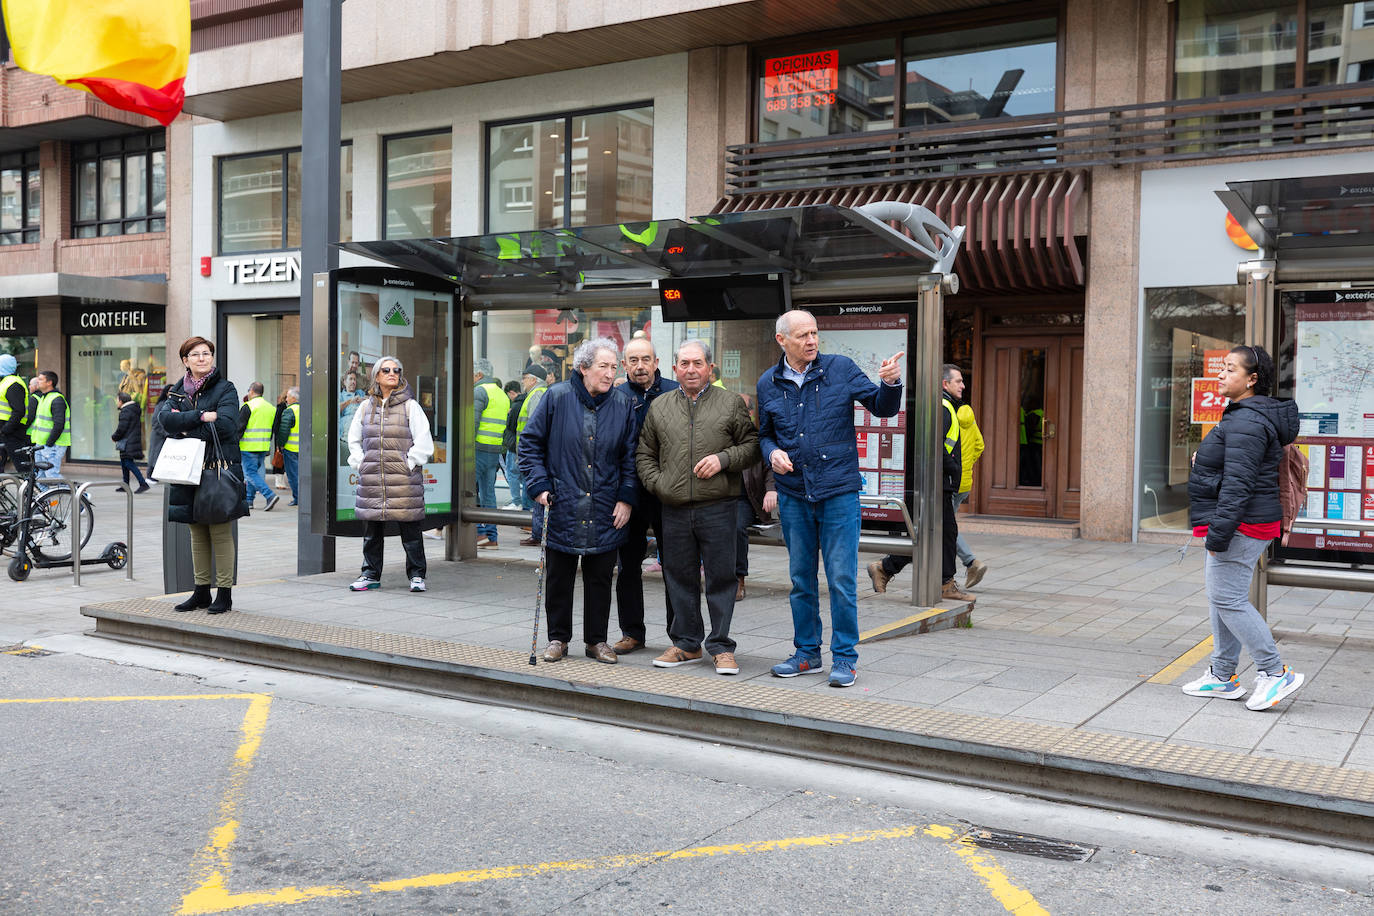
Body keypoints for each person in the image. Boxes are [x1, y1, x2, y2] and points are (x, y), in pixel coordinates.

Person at [757, 309, 903, 688]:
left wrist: (891, 384)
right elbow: (765, 434)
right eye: (803, 335)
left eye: (815, 333)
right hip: (793, 495)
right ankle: (807, 654)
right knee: (800, 580)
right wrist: (771, 453)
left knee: (840, 579)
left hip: (838, 492)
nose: (811, 341)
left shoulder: (840, 368)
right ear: (782, 340)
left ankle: (844, 659)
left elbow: (883, 408)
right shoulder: (768, 383)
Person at [1183, 345, 1305, 711]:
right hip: (1243, 519)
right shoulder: (1245, 415)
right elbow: (1240, 469)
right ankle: (1222, 676)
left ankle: (1274, 672)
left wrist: (1218, 534)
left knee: (1228, 599)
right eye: (1222, 368)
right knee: (1221, 597)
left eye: (1230, 369)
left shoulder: (1247, 420)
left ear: (1252, 379)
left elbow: (1240, 484)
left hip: (1242, 523)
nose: (1221, 374)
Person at [637, 339, 759, 675]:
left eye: (697, 363)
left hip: (718, 507)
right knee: (678, 578)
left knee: (721, 578)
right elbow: (644, 454)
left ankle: (720, 646)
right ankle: (687, 644)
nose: (691, 370)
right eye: (684, 364)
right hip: (674, 509)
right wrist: (659, 485)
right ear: (674, 368)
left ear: (709, 367)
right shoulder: (660, 406)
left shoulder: (731, 403)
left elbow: (752, 447)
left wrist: (723, 460)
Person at [519, 337, 637, 665]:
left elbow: (631, 456)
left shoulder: (623, 404)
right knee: (559, 577)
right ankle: (558, 638)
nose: (610, 373)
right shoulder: (555, 398)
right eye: (603, 366)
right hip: (561, 503)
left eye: (614, 367)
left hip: (605, 505)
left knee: (600, 577)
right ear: (583, 368)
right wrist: (539, 486)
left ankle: (596, 641)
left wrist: (626, 498)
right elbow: (529, 444)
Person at [869, 365, 977, 600]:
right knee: (942, 533)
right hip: (934, 484)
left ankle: (886, 568)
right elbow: (935, 446)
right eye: (958, 381)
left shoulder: (946, 406)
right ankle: (943, 583)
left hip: (937, 483)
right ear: (944, 384)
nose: (963, 385)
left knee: (937, 534)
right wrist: (953, 468)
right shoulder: (943, 407)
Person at [157, 336, 247, 614]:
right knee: (196, 532)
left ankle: (224, 593)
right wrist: (200, 417)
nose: (201, 358)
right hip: (187, 471)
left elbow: (227, 426)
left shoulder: (225, 388)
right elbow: (164, 421)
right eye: (195, 354)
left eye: (206, 353)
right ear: (185, 360)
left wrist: (186, 426)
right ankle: (200, 592)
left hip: (217, 470)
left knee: (220, 532)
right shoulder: (175, 391)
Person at [610, 337, 678, 654]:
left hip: (668, 491)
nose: (640, 366)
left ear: (656, 362)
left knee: (676, 565)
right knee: (628, 566)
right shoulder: (616, 396)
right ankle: (632, 633)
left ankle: (681, 636)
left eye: (645, 359)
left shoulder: (675, 392)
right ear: (624, 365)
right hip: (629, 493)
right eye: (633, 360)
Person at [346, 356, 435, 593]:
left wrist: (410, 464)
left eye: (397, 370)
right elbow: (353, 438)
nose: (392, 373)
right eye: (386, 370)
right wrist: (360, 462)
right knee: (372, 532)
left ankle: (417, 575)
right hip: (373, 478)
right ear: (376, 375)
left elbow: (424, 442)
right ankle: (370, 574)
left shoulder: (410, 406)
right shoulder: (365, 407)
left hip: (403, 480)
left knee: (411, 531)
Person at [511, 364, 549, 547]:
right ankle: (536, 531)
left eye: (525, 377)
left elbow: (536, 427)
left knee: (534, 492)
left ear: (534, 380)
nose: (523, 381)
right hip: (531, 453)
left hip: (533, 454)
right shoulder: (536, 394)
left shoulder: (537, 395)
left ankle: (537, 532)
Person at [472, 358, 509, 548]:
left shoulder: (479, 390)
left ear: (479, 374)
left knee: (470, 492)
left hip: (477, 449)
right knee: (489, 494)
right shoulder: (502, 394)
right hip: (494, 451)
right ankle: (491, 537)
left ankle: (478, 533)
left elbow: (473, 422)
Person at [735, 460, 777, 601]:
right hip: (720, 498)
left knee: (737, 527)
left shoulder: (755, 441)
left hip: (745, 500)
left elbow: (770, 468)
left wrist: (771, 489)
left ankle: (739, 577)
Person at [238, 382, 281, 511]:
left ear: (251, 391)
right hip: (263, 446)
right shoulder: (271, 408)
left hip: (248, 446)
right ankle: (249, 500)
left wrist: (233, 443)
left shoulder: (248, 406)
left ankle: (269, 495)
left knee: (250, 474)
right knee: (254, 473)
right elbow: (274, 429)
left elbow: (239, 428)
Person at [28, 370, 69, 481]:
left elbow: (59, 424)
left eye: (41, 379)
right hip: (41, 445)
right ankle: (48, 499)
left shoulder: (57, 399)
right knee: (41, 478)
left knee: (51, 476)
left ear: (49, 382)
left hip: (53, 445)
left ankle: (80, 495)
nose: (38, 381)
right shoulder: (43, 398)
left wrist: (49, 443)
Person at [111, 391, 149, 493]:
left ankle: (143, 483)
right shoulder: (132, 409)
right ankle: (125, 485)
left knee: (128, 463)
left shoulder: (126, 411)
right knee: (124, 463)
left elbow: (122, 428)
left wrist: (114, 437)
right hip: (130, 440)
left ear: (121, 401)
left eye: (117, 400)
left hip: (127, 441)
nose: (116, 402)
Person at [0, 354, 29, 472]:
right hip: (7, 430)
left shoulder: (13, 384)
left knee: (22, 467)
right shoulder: (5, 382)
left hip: (12, 432)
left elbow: (18, 411)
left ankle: (33, 489)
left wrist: (5, 430)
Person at [500, 378, 524, 510]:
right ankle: (523, 502)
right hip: (521, 444)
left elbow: (510, 426)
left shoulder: (515, 406)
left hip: (513, 445)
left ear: (511, 393)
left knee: (512, 473)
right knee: (522, 475)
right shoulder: (525, 401)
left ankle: (516, 501)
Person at [277, 387, 301, 506]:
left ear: (293, 397)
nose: (286, 399)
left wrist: (280, 445)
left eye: (287, 396)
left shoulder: (289, 411)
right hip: (304, 449)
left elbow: (284, 431)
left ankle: (297, 498)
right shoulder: (305, 409)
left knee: (293, 476)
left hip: (291, 449)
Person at [338, 372, 365, 457]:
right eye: (351, 379)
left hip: (362, 423)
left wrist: (362, 400)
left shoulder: (360, 393)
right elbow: (336, 409)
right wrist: (350, 401)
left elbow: (372, 400)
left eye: (354, 379)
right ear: (345, 382)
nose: (353, 382)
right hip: (348, 424)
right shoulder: (341, 395)